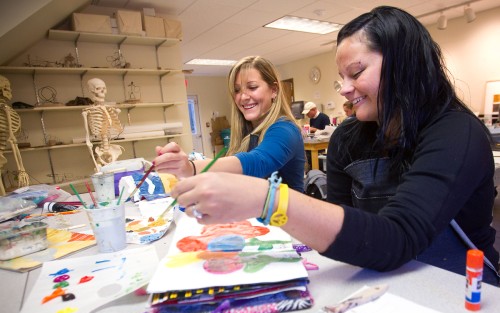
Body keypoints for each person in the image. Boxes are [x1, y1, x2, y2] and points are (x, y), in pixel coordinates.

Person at [169, 6, 500, 286]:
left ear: (405, 64)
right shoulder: (348, 138)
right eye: (341, 76)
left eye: (355, 73)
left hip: (460, 288)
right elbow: (350, 228)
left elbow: (398, 238)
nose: (344, 88)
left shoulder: (457, 133)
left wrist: (267, 199)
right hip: (380, 278)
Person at [154, 56, 305, 192]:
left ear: (274, 90)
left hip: (286, 221)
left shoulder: (285, 128)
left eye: (252, 87)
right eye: (237, 90)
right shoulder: (248, 131)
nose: (243, 97)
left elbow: (258, 162)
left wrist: (191, 167)